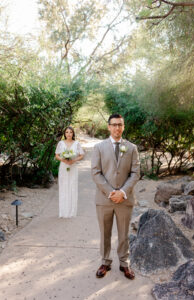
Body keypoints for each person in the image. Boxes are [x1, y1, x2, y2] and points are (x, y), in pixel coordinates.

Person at [91, 113, 140, 280]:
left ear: (123, 126)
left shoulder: (132, 148)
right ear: (109, 127)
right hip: (104, 199)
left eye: (120, 124)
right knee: (105, 233)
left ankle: (125, 264)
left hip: (125, 199)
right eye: (114, 124)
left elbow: (135, 173)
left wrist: (123, 192)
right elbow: (96, 172)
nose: (117, 127)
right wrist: (110, 192)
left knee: (124, 233)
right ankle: (105, 262)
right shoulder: (99, 147)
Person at [55, 126, 84, 218]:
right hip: (63, 167)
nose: (68, 134)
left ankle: (71, 212)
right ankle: (63, 212)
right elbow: (57, 155)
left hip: (73, 167)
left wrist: (73, 160)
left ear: (73, 134)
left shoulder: (76, 143)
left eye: (70, 132)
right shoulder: (61, 143)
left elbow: (81, 155)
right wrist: (63, 160)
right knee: (63, 187)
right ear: (64, 134)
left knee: (72, 186)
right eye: (67, 132)